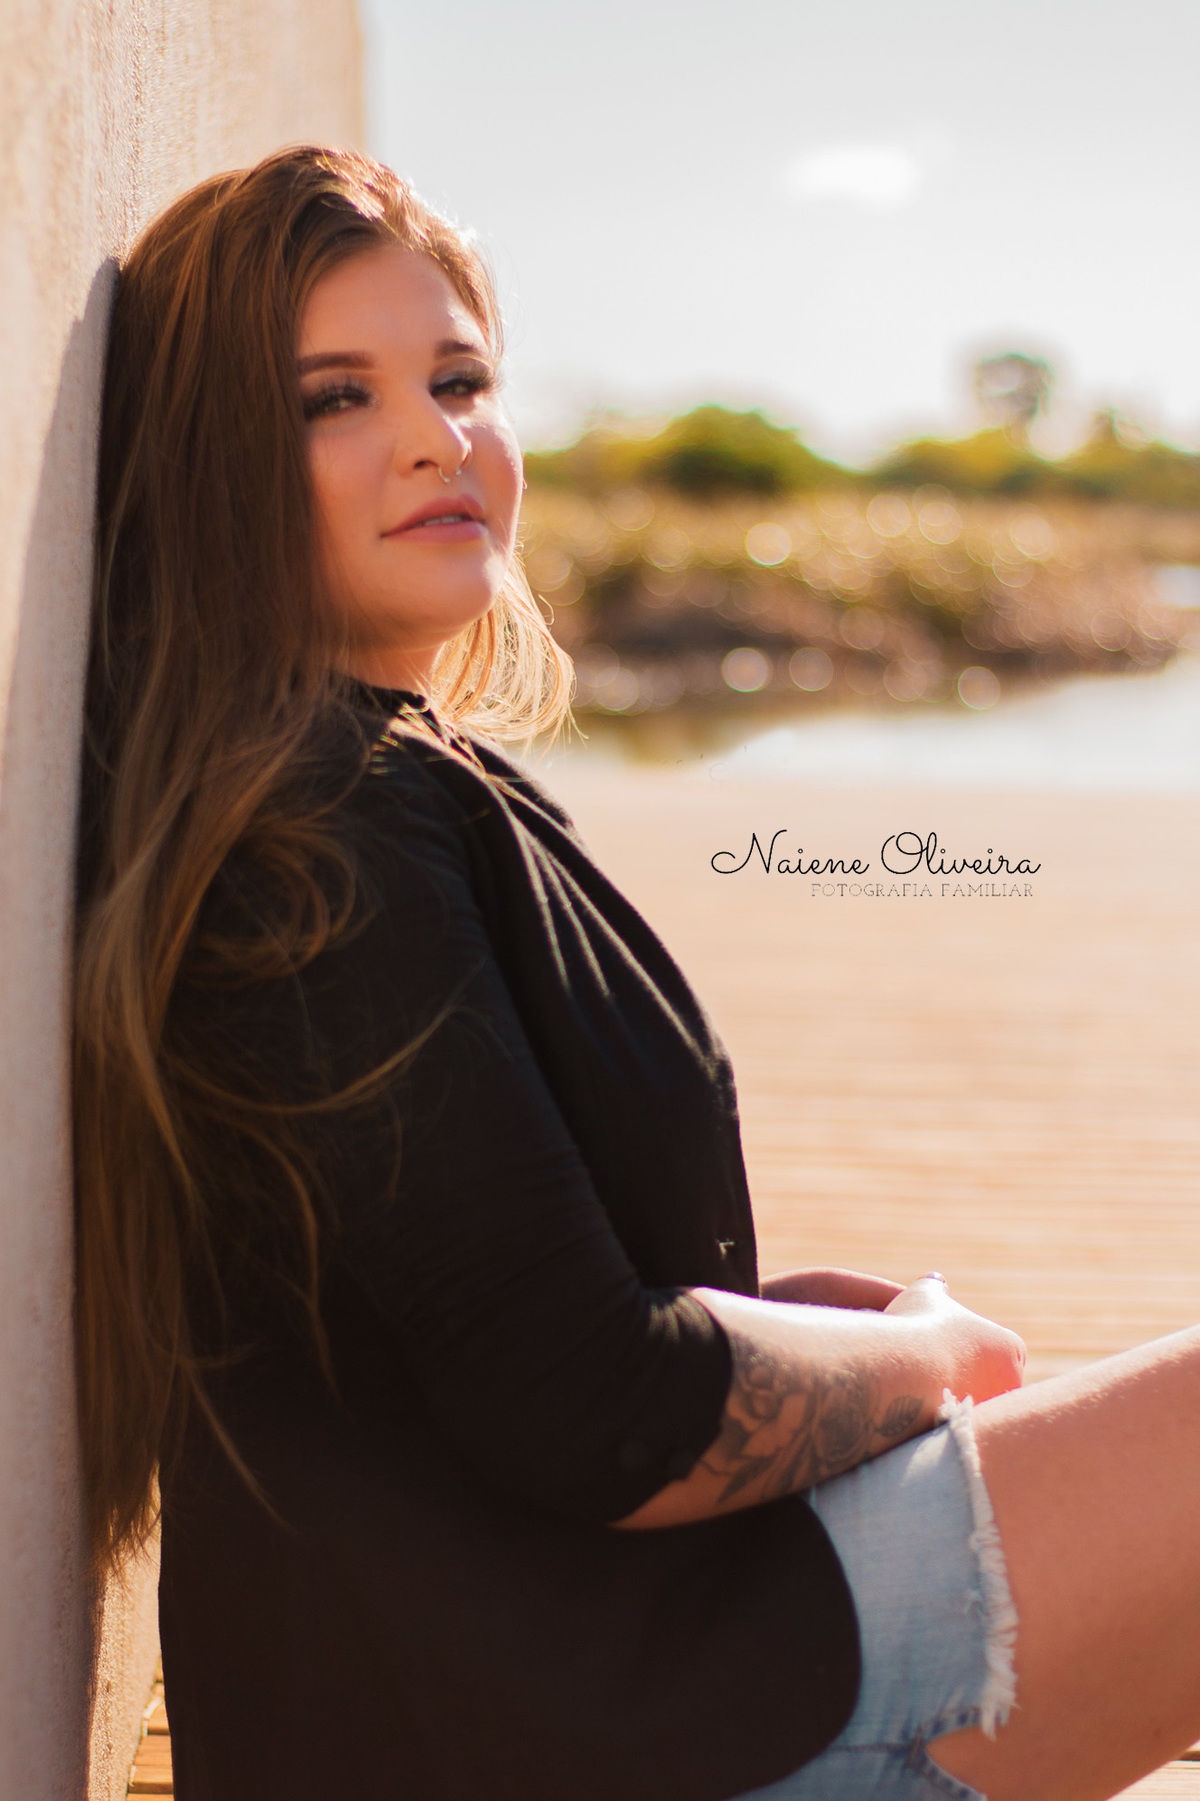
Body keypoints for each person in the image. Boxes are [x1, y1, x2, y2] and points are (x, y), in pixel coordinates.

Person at [72, 142, 1200, 1801]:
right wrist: (928, 1356)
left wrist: (776, 1322)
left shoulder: (366, 776)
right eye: (336, 398)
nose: (432, 436)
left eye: (459, 379)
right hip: (575, 1714)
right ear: (205, 465)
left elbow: (475, 1310)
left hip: (572, 1653)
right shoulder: (312, 838)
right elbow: (603, 1411)